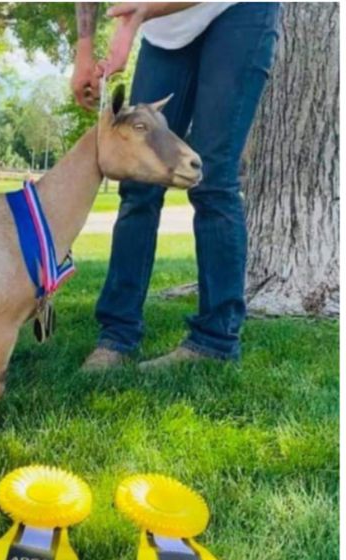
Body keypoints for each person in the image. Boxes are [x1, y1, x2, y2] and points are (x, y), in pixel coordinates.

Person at [72, 2, 281, 370]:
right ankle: (117, 336)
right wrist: (84, 51)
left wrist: (137, 18)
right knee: (138, 186)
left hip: (238, 13)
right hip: (163, 30)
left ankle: (215, 342)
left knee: (212, 178)